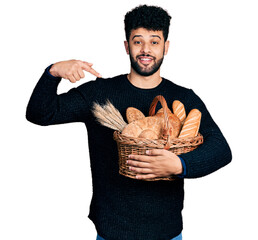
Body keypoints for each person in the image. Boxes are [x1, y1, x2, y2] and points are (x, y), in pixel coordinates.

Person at [26, 4, 232, 240]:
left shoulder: (183, 98)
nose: (146, 49)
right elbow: (40, 113)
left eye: (154, 41)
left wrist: (179, 165)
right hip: (112, 233)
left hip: (167, 233)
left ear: (166, 47)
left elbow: (221, 149)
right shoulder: (100, 94)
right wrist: (52, 73)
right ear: (127, 46)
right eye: (137, 41)